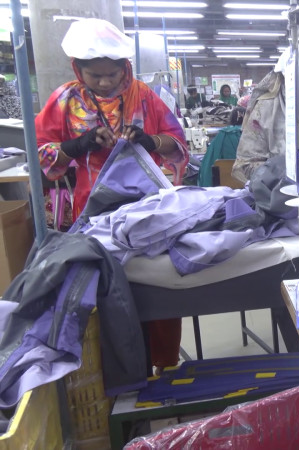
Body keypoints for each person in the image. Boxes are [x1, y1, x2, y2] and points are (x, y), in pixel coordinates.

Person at [35, 18, 189, 373]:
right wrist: (78, 145)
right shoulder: (65, 100)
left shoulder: (144, 97)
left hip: (148, 209)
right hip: (94, 212)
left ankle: (164, 365)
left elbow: (178, 145)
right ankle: (123, 372)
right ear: (78, 69)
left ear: (125, 67)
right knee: (107, 291)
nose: (105, 82)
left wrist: (150, 141)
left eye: (112, 74)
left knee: (159, 286)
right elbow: (41, 153)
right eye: (95, 75)